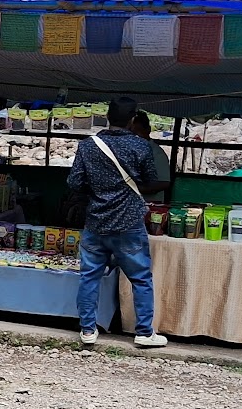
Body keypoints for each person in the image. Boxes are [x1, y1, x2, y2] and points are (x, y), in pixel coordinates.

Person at [66, 97, 172, 348]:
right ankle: (144, 333)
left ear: (107, 116)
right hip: (129, 223)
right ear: (133, 119)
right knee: (141, 278)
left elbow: (74, 184)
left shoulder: (89, 146)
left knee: (89, 277)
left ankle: (88, 330)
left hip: (96, 221)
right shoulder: (141, 146)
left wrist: (98, 191)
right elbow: (149, 182)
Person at [129, 111, 173, 202]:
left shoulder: (157, 153)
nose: (135, 136)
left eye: (138, 131)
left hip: (149, 205)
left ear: (148, 130)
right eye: (132, 132)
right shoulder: (125, 150)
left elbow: (164, 183)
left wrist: (139, 189)